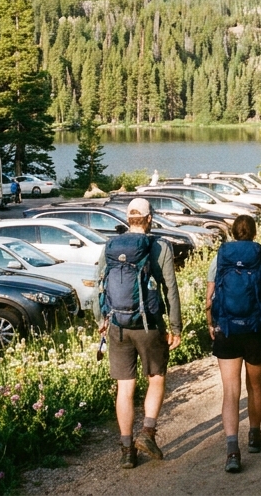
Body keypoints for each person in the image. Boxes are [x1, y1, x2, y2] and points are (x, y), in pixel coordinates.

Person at [97, 198, 183, 468]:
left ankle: (126, 450)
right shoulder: (159, 246)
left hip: (117, 325)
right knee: (156, 377)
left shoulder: (110, 246)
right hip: (149, 326)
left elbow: (100, 286)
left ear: (128, 218)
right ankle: (147, 433)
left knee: (125, 387)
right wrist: (175, 326)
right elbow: (170, 289)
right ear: (149, 219)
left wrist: (101, 320)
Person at [207, 214, 261, 474]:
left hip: (228, 331)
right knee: (255, 386)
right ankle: (254, 435)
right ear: (254, 234)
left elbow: (209, 299)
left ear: (233, 233)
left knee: (230, 391)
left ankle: (232, 450)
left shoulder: (219, 260)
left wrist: (212, 324)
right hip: (256, 331)